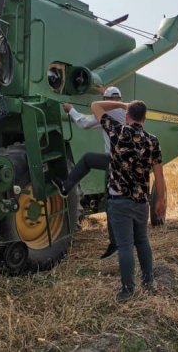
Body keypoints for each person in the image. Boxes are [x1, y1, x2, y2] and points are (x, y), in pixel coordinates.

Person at [91, 99, 166, 301]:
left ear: (127, 116)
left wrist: (122, 104)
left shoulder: (117, 131)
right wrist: (161, 201)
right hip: (142, 202)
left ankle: (127, 290)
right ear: (145, 118)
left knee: (125, 246)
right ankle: (149, 281)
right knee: (142, 241)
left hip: (119, 200)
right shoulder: (153, 140)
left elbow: (95, 106)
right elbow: (159, 175)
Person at [53, 86, 125, 259]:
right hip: (126, 162)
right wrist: (103, 91)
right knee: (112, 200)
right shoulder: (123, 110)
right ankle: (117, 244)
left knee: (110, 203)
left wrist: (71, 110)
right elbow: (111, 102)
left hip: (115, 162)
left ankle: (116, 246)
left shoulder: (108, 114)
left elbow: (84, 123)